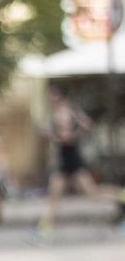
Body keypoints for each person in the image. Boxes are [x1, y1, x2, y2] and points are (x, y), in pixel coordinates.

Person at [39, 85, 98, 238]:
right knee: (53, 196)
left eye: (53, 95)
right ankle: (44, 230)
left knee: (91, 192)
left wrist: (50, 134)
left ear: (60, 96)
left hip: (70, 156)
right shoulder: (66, 110)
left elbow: (67, 137)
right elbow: (86, 125)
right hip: (65, 157)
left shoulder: (64, 112)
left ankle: (120, 194)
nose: (50, 98)